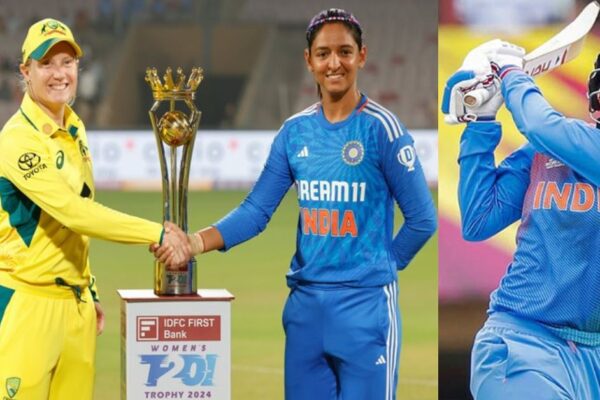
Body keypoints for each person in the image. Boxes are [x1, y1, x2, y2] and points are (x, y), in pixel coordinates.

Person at [154, 8, 437, 400]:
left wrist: (380, 267)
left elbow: (423, 219)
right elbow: (256, 211)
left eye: (344, 51)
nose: (334, 63)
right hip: (305, 312)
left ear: (362, 56)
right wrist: (195, 242)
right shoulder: (294, 132)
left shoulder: (382, 129)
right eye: (323, 53)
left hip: (365, 310)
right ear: (309, 61)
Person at [0, 18, 190, 400]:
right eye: (46, 63)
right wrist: (157, 233)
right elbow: (73, 212)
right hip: (27, 305)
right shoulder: (16, 139)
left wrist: (88, 287)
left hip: (77, 307)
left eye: (67, 62)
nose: (59, 74)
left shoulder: (75, 128)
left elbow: (78, 218)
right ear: (26, 71)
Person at [443, 39, 600, 399]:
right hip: (521, 343)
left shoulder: (555, 137)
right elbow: (479, 218)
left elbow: (540, 124)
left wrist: (510, 74)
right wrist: (481, 122)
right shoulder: (551, 151)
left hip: (592, 360)